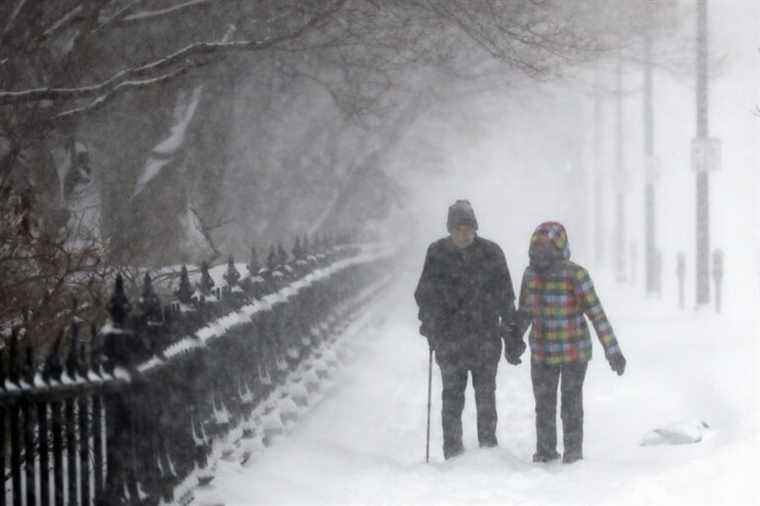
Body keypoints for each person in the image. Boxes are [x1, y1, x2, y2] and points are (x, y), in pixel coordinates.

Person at [414, 200, 525, 460]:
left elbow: (505, 297)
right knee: (452, 397)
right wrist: (429, 323)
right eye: (458, 229)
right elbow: (424, 294)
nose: (464, 234)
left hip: (485, 337)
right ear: (450, 230)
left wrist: (512, 334)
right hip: (450, 338)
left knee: (486, 396)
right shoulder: (437, 252)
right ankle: (453, 452)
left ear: (475, 228)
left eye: (468, 229)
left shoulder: (492, 253)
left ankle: (488, 450)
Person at [514, 222, 626, 464]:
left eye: (547, 247)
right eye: (538, 247)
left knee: (571, 402)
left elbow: (596, 314)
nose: (541, 252)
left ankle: (573, 453)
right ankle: (545, 452)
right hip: (542, 352)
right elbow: (525, 310)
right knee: (544, 404)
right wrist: (514, 339)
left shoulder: (575, 275)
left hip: (574, 352)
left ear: (559, 247)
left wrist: (613, 351)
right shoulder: (530, 274)